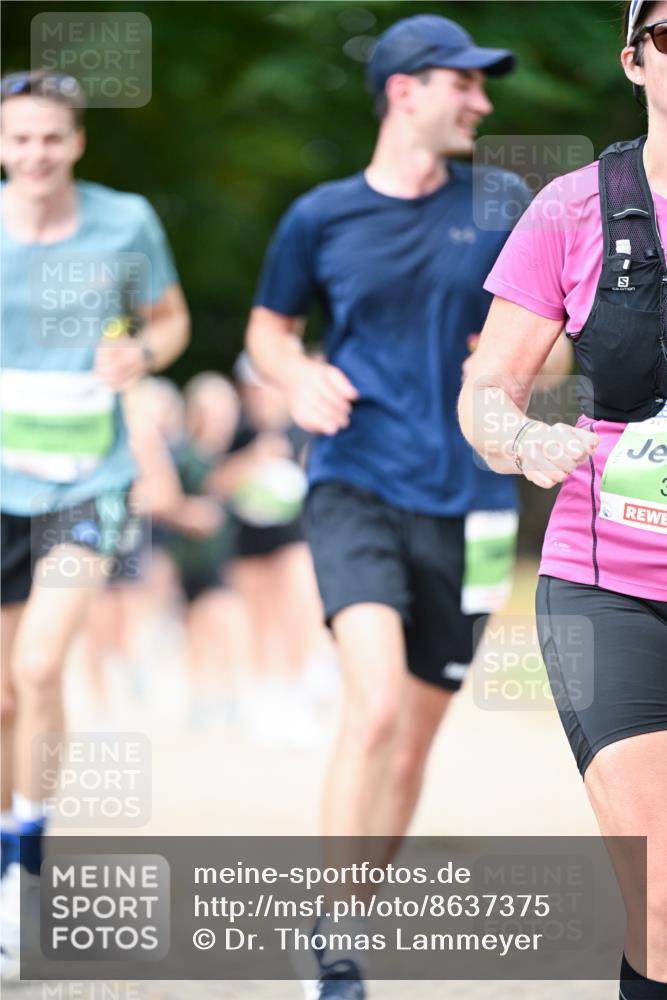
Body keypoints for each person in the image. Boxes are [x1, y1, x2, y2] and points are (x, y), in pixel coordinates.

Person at [245, 15, 571, 997]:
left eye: (481, 85)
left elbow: (550, 346)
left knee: (415, 736)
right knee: (375, 701)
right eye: (460, 84)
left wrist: (516, 367)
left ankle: (345, 921)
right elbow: (270, 328)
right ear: (402, 92)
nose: (480, 100)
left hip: (469, 502)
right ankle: (337, 951)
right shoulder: (320, 216)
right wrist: (293, 375)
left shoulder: (501, 201)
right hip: (354, 479)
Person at [458, 2, 667, 996]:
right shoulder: (576, 208)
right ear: (633, 59)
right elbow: (485, 392)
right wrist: (519, 438)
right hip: (611, 581)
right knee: (664, 892)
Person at [0, 70, 189, 974]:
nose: (35, 154)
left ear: (76, 142)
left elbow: (171, 318)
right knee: (2, 692)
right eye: (18, 139)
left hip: (89, 480)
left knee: (39, 663)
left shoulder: (125, 221)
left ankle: (24, 872)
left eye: (51, 137)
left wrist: (142, 353)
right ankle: (10, 847)